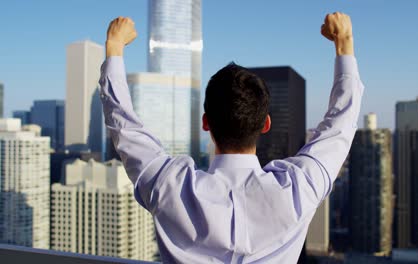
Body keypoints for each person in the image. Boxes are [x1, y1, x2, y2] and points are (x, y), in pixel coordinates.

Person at [100, 12, 363, 264]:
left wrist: (114, 48)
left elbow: (124, 127)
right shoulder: (298, 189)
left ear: (206, 123)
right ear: (266, 124)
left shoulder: (169, 186)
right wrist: (344, 43)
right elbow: (340, 125)